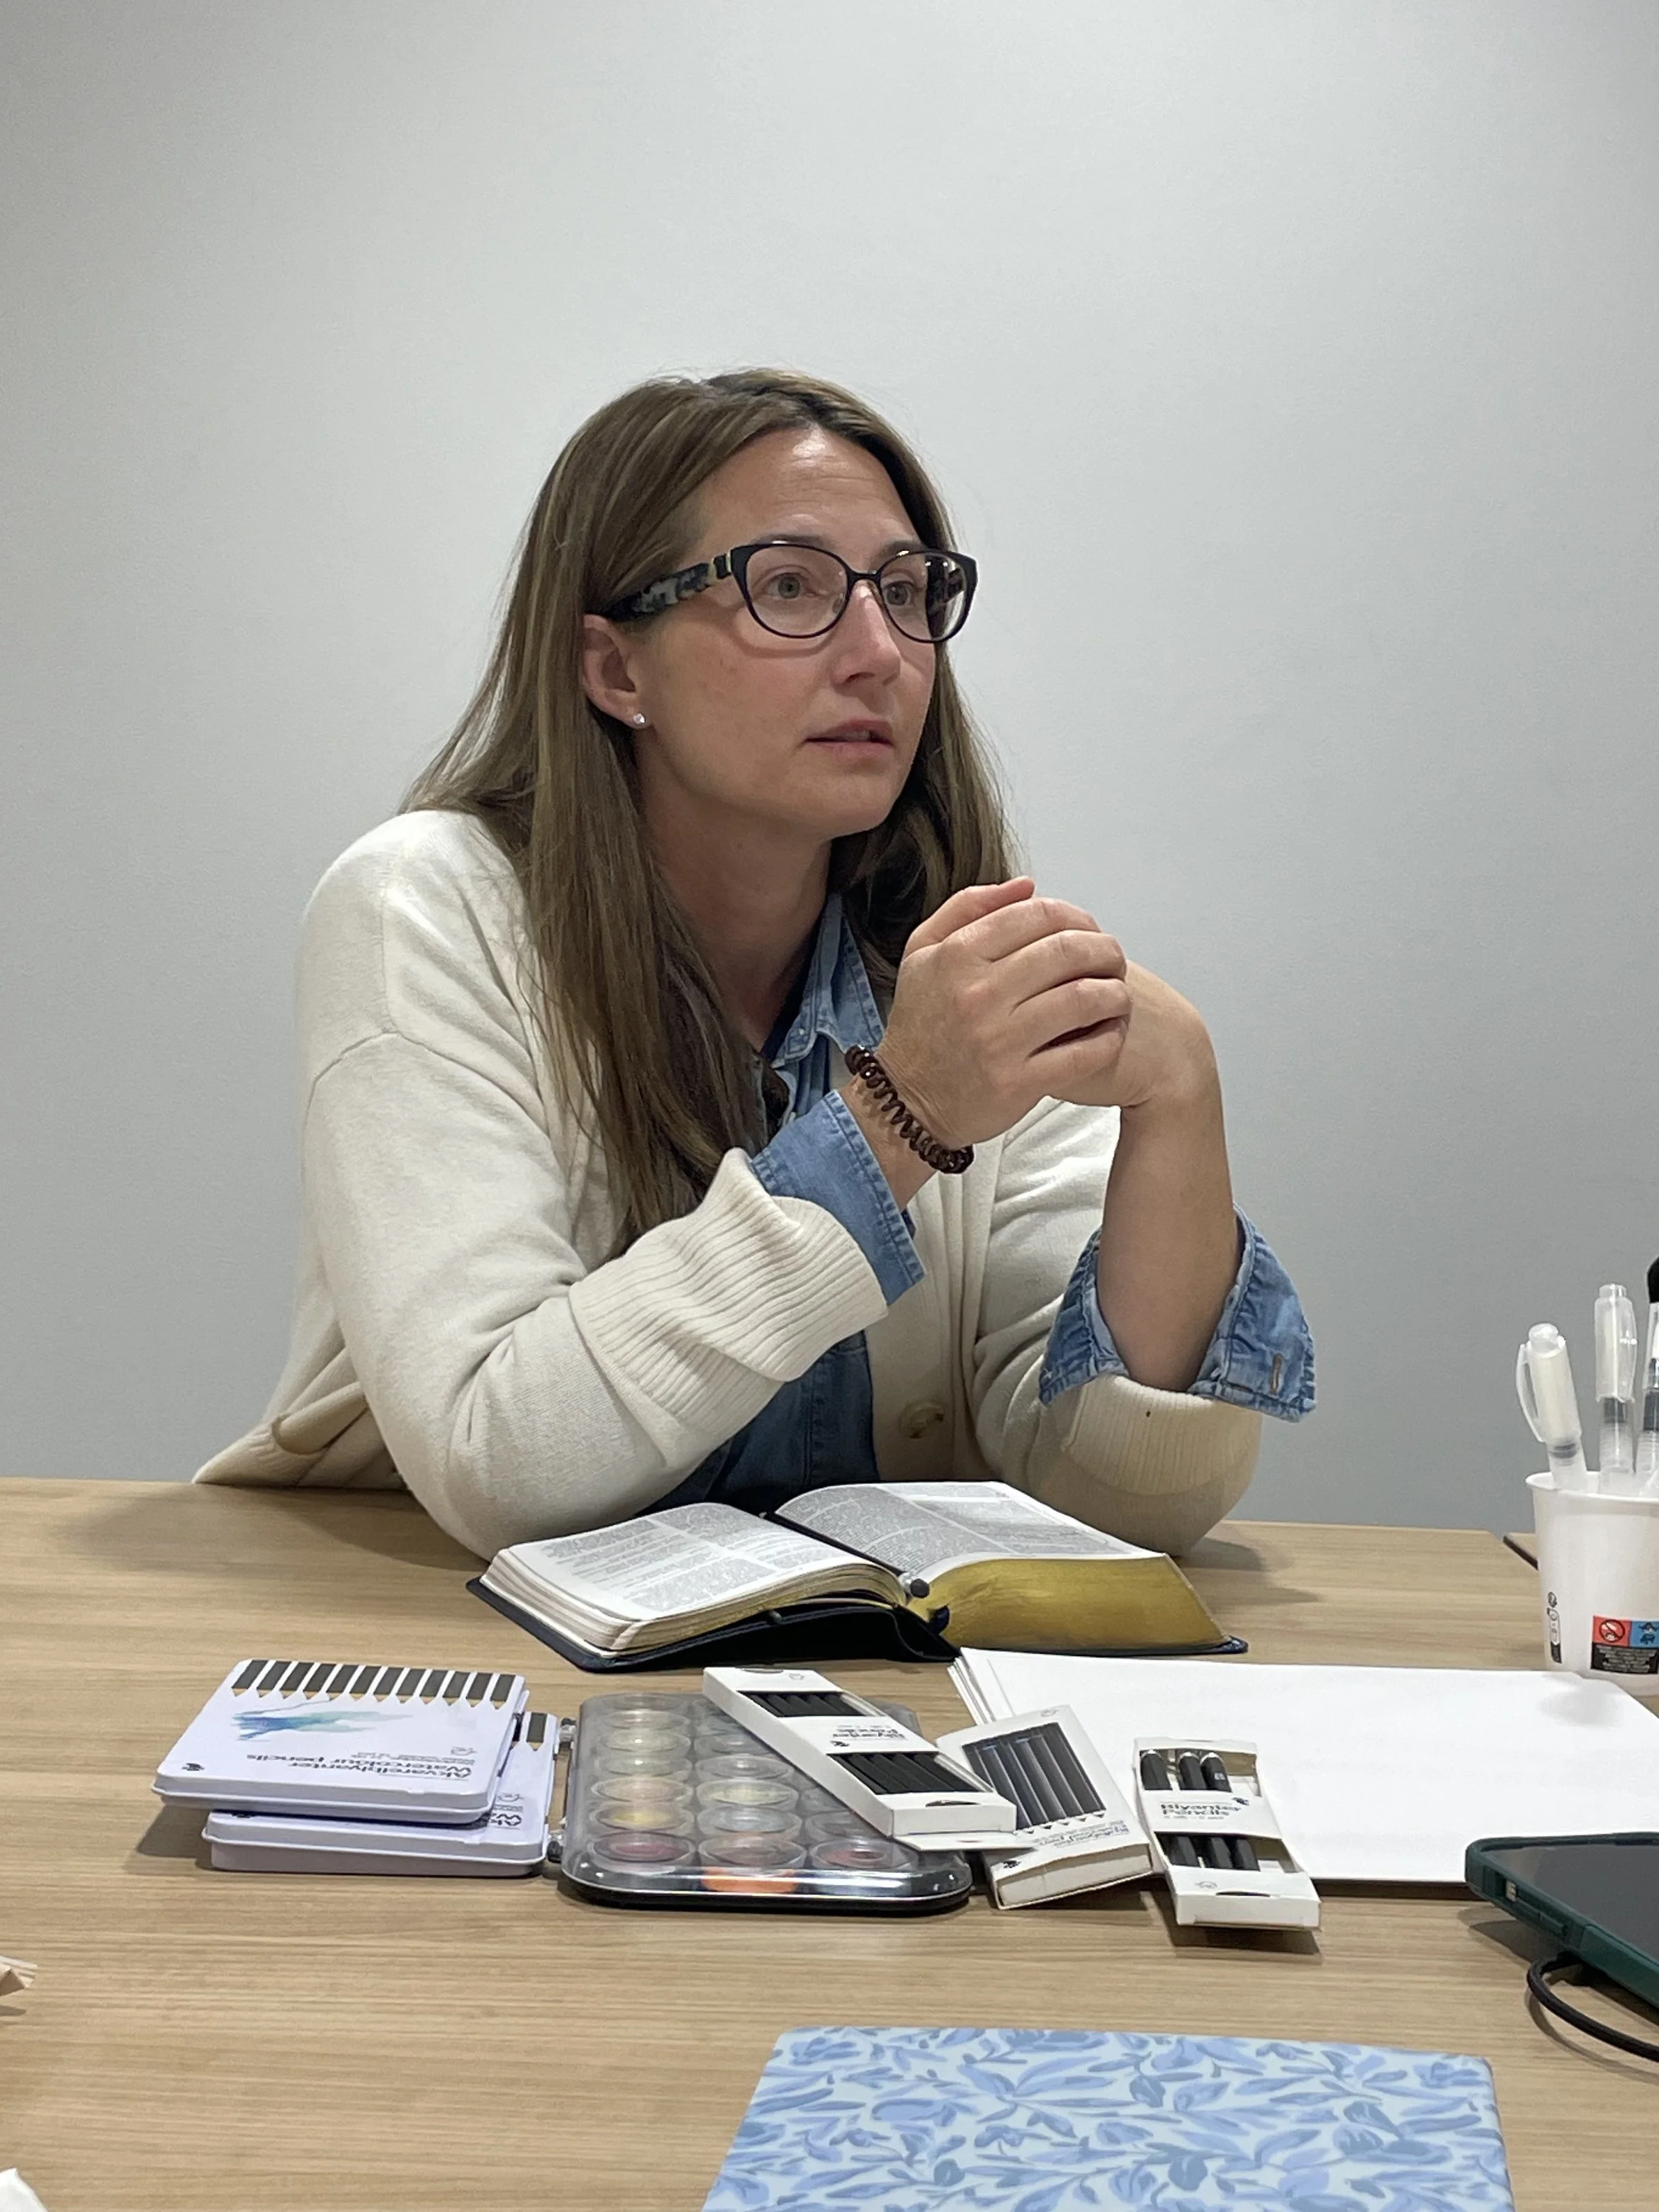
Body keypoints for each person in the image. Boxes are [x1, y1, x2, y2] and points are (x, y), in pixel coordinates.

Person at [198, 370, 1313, 1560]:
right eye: (790, 587)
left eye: (904, 592)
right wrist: (901, 1114)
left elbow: (1128, 1507)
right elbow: (505, 1466)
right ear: (615, 670)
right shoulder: (424, 907)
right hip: (440, 1639)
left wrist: (1181, 1101)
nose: (880, 653)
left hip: (845, 1653)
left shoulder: (955, 960)